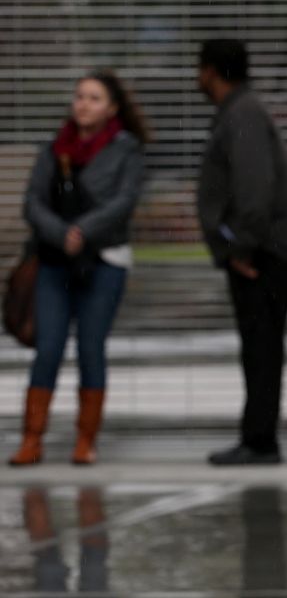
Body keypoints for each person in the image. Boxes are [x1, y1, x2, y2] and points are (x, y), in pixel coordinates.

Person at [10, 72, 147, 467]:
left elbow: (124, 203)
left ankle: (86, 441)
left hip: (104, 261)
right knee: (48, 347)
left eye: (94, 98)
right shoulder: (54, 149)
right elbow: (32, 203)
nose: (83, 104)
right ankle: (31, 439)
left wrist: (83, 232)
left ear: (112, 108)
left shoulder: (126, 150)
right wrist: (61, 233)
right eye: (79, 96)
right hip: (54, 261)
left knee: (91, 347)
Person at [196, 39, 287, 465]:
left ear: (212, 72)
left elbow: (255, 190)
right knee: (258, 345)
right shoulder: (240, 113)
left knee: (261, 346)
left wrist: (241, 247)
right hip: (258, 248)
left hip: (261, 254)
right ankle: (257, 436)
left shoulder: (244, 115)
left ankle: (260, 441)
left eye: (200, 69)